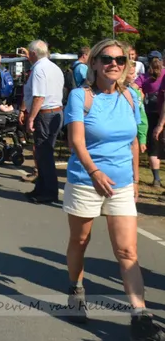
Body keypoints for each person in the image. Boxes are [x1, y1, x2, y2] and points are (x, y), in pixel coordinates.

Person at [62, 39, 165, 339]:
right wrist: (94, 172)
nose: (114, 64)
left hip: (120, 184)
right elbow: (76, 141)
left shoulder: (131, 95)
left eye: (120, 60)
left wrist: (135, 180)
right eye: (107, 59)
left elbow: (133, 141)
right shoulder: (80, 97)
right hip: (86, 180)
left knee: (127, 250)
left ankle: (140, 315)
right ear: (94, 63)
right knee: (80, 241)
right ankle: (76, 290)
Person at [20, 39, 65, 204]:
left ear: (33, 53)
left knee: (44, 154)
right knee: (43, 152)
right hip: (55, 111)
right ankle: (41, 187)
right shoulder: (54, 67)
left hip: (45, 113)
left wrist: (31, 117)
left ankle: (49, 191)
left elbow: (39, 96)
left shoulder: (39, 69)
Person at [138, 52, 164, 187]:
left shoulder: (144, 77)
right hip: (161, 114)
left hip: (150, 115)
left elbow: (134, 89)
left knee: (153, 147)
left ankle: (157, 179)